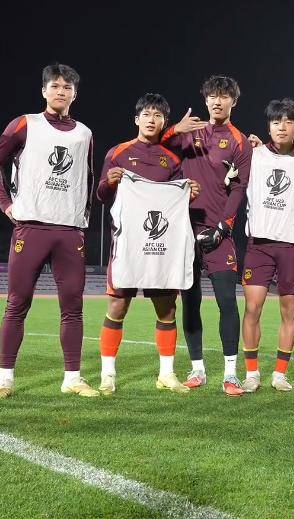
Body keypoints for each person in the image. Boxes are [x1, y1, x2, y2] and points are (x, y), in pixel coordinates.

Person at [0, 63, 98, 399]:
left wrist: (83, 217)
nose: (61, 91)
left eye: (67, 87)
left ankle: (72, 378)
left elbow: (88, 178)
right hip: (31, 227)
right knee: (17, 304)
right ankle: (5, 380)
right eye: (55, 86)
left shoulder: (84, 133)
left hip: (70, 231)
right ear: (44, 90)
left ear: (75, 94)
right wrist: (7, 205)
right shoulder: (25, 124)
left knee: (73, 307)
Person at [95, 93, 200, 394]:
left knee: (167, 309)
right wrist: (109, 181)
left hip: (160, 247)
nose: (151, 120)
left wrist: (189, 193)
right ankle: (107, 374)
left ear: (164, 122)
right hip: (128, 244)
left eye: (158, 115)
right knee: (118, 306)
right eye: (147, 114)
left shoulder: (172, 160)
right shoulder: (118, 152)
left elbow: (176, 202)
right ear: (136, 119)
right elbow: (101, 195)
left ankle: (166, 374)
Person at [161, 75, 252, 396]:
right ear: (205, 99)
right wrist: (175, 129)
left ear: (233, 102)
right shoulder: (190, 132)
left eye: (224, 96)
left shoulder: (240, 141)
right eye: (212, 95)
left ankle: (231, 374)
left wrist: (224, 227)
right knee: (191, 301)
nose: (217, 101)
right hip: (185, 231)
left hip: (218, 232)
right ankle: (197, 369)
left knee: (227, 301)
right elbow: (157, 146)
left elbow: (239, 188)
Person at [239, 99, 294, 393]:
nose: (282, 127)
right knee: (252, 308)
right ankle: (252, 373)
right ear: (268, 126)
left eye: (288, 122)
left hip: (293, 246)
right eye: (275, 122)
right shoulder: (253, 155)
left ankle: (280, 374)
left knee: (289, 311)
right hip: (259, 244)